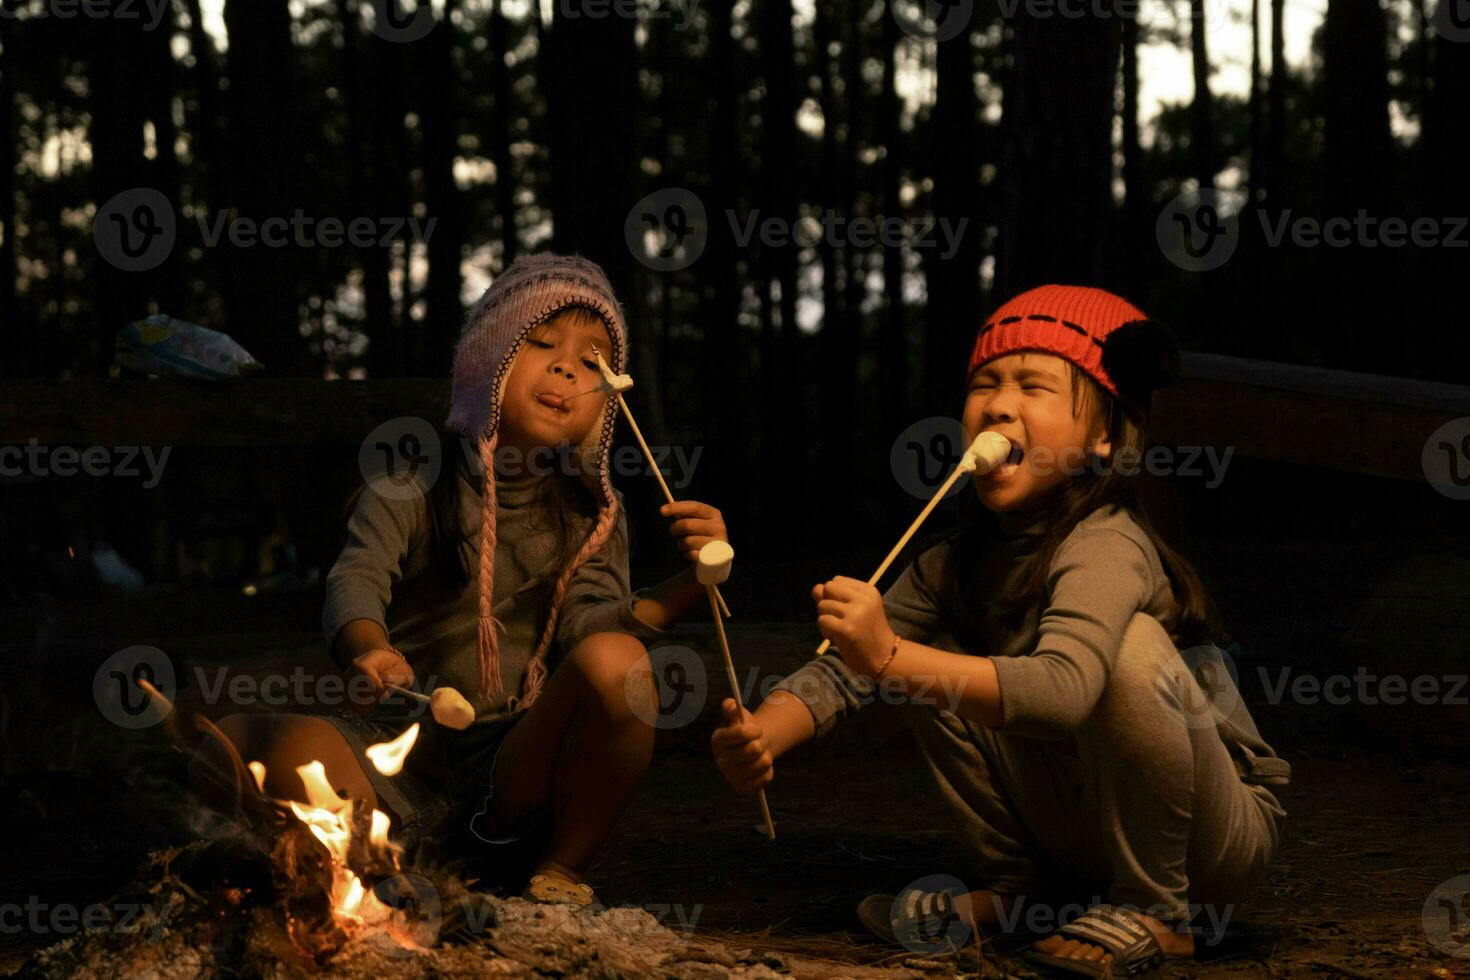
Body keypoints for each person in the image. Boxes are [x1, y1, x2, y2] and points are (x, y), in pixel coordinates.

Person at [711, 285, 1289, 977]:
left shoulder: (1108, 543)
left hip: (1208, 845)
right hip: (1084, 824)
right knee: (940, 659)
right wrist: (765, 731)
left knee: (1126, 647)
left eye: (1034, 385)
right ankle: (1024, 895)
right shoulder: (949, 563)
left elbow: (1064, 692)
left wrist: (891, 656)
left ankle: (1158, 914)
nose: (999, 402)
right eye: (985, 382)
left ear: (1104, 434)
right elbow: (845, 667)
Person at [193, 253, 728, 908]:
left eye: (594, 362)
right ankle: (378, 872)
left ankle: (559, 871)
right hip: (397, 756)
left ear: (606, 404)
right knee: (249, 740)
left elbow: (596, 632)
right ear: (490, 358)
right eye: (543, 343)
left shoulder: (592, 515)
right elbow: (359, 572)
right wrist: (367, 646)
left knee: (622, 662)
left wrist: (693, 581)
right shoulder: (417, 477)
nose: (567, 366)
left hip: (510, 777)